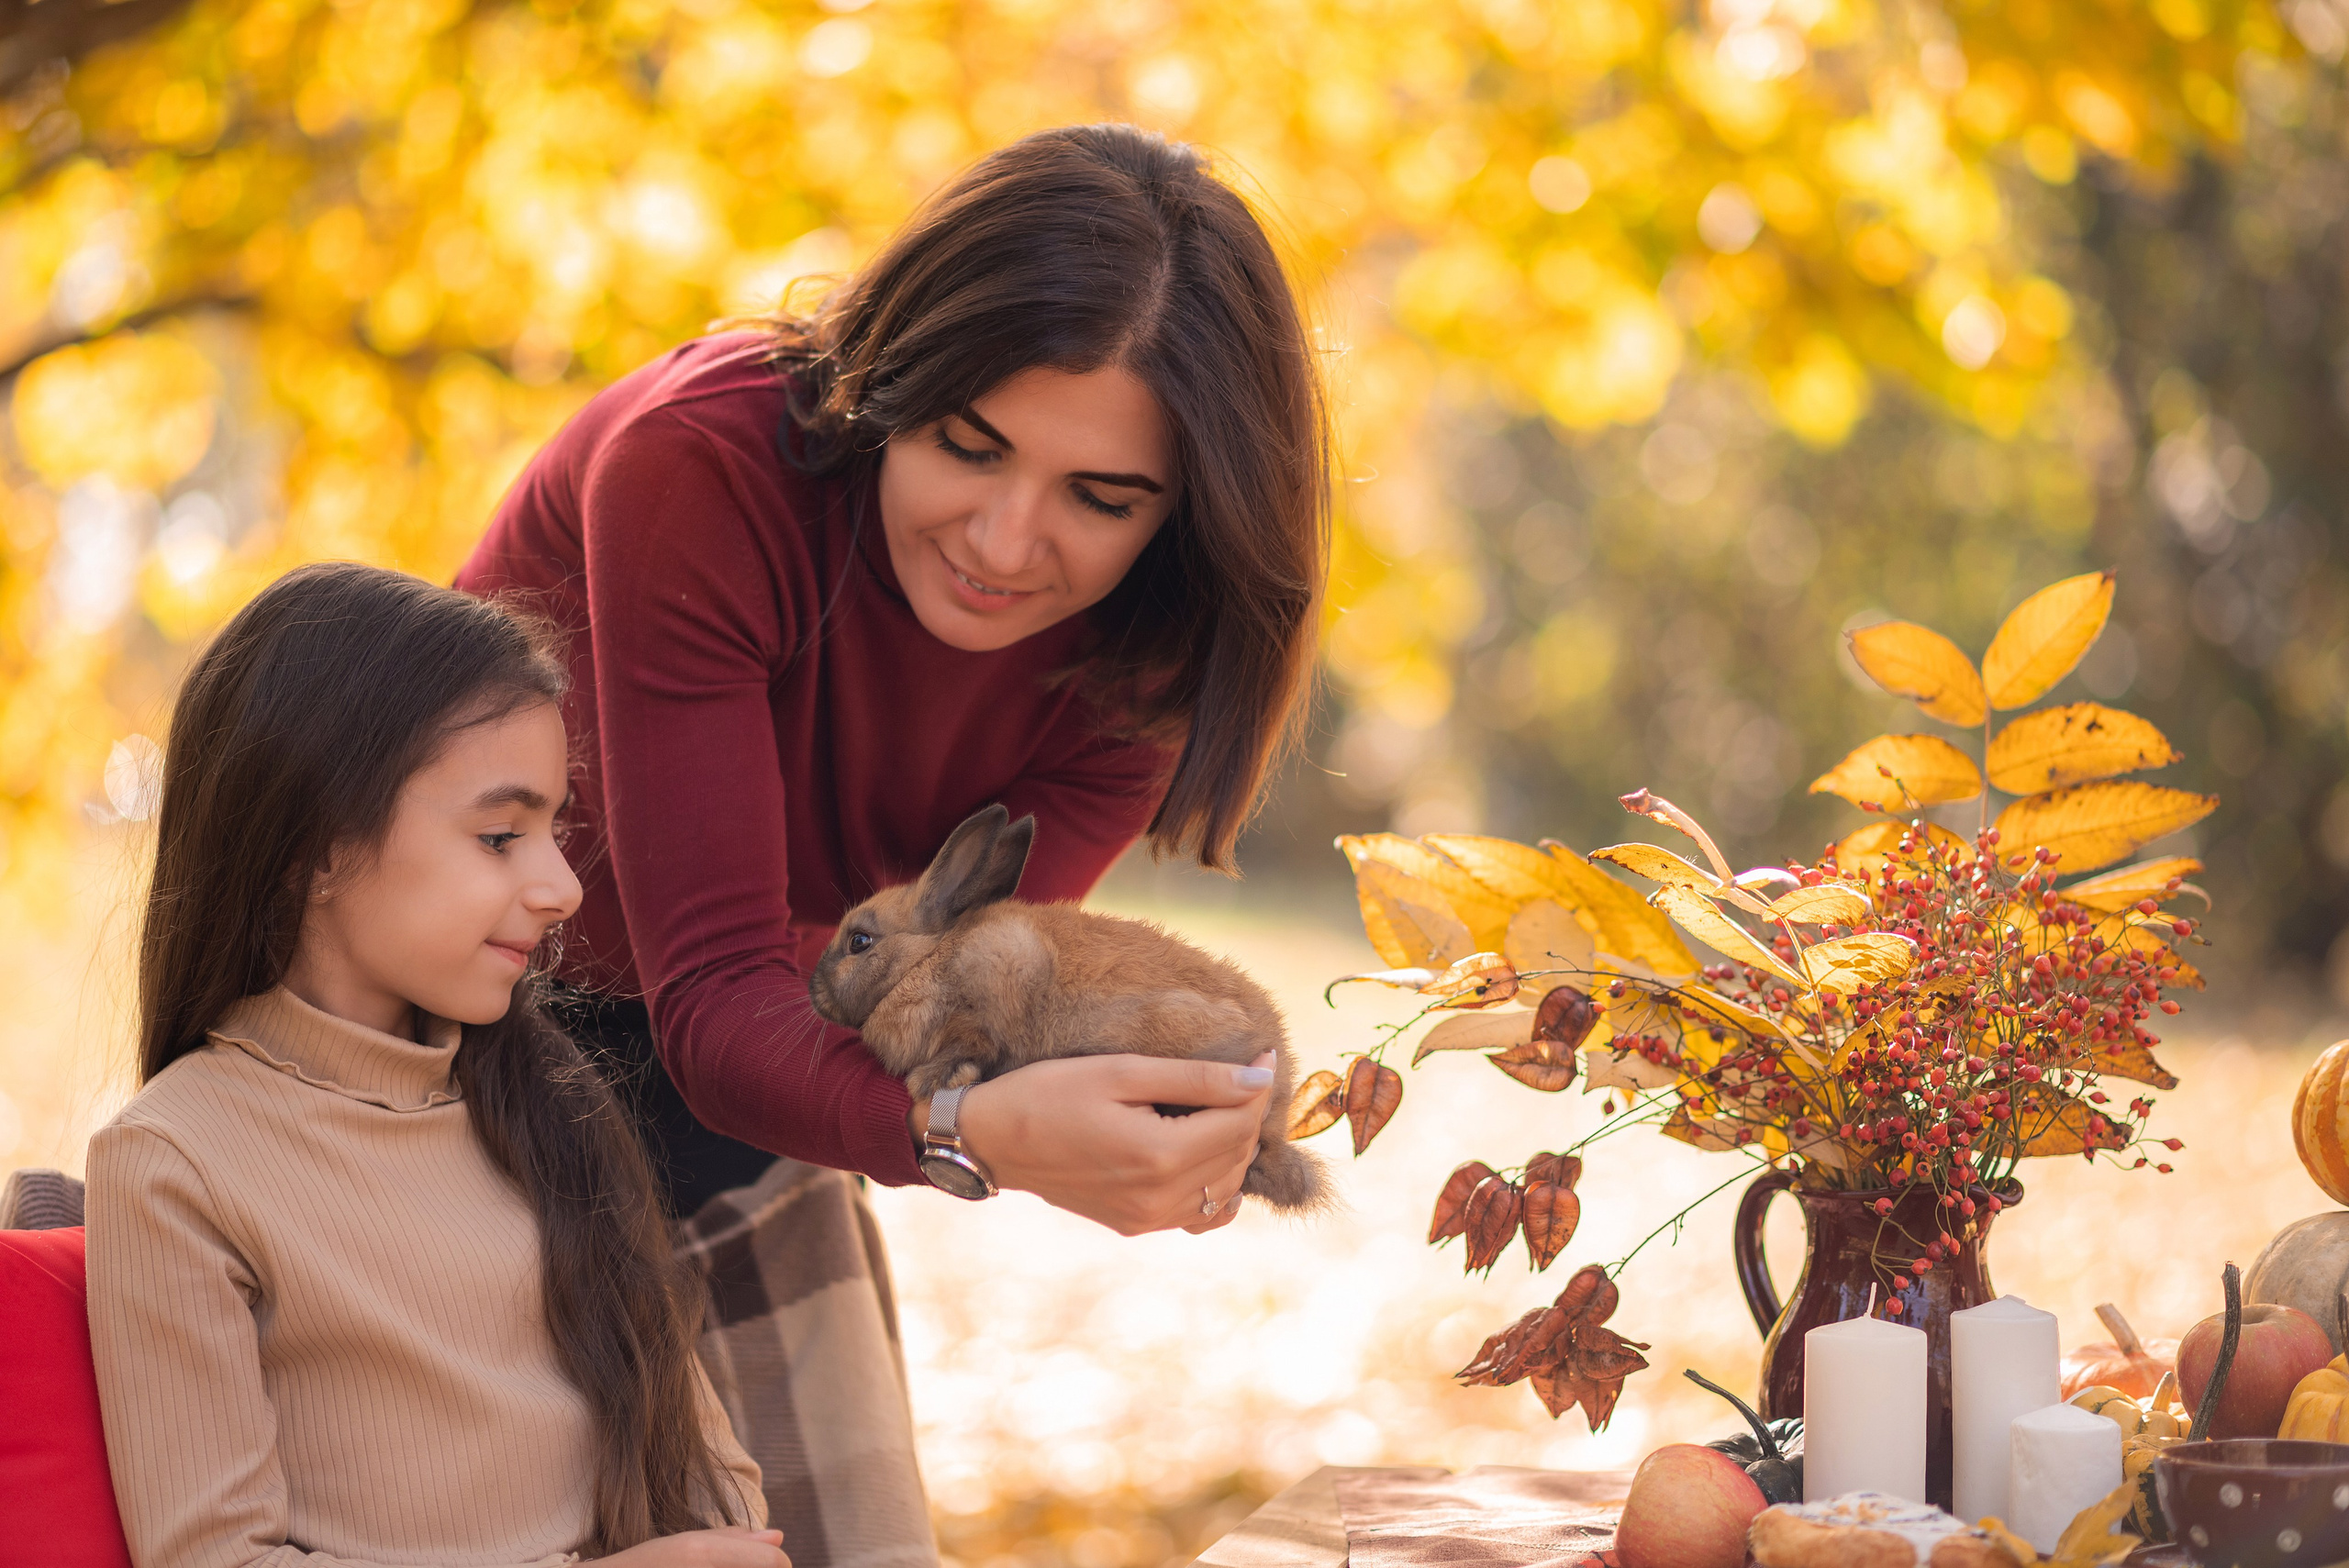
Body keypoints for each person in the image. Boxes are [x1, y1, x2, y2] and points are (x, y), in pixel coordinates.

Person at [456, 124, 1330, 1562]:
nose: (1002, 540)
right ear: (891, 387)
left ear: (1182, 516)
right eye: (965, 445)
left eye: (1099, 498)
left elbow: (931, 1005)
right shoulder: (702, 469)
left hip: (754, 1092)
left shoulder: (1145, 666)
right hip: (454, 1040)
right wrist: (967, 1127)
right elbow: (727, 993)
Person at [83, 562, 785, 1568]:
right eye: (500, 835)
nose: (560, 887)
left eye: (554, 829)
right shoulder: (177, 1159)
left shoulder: (549, 1105)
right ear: (315, 849)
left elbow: (709, 1476)